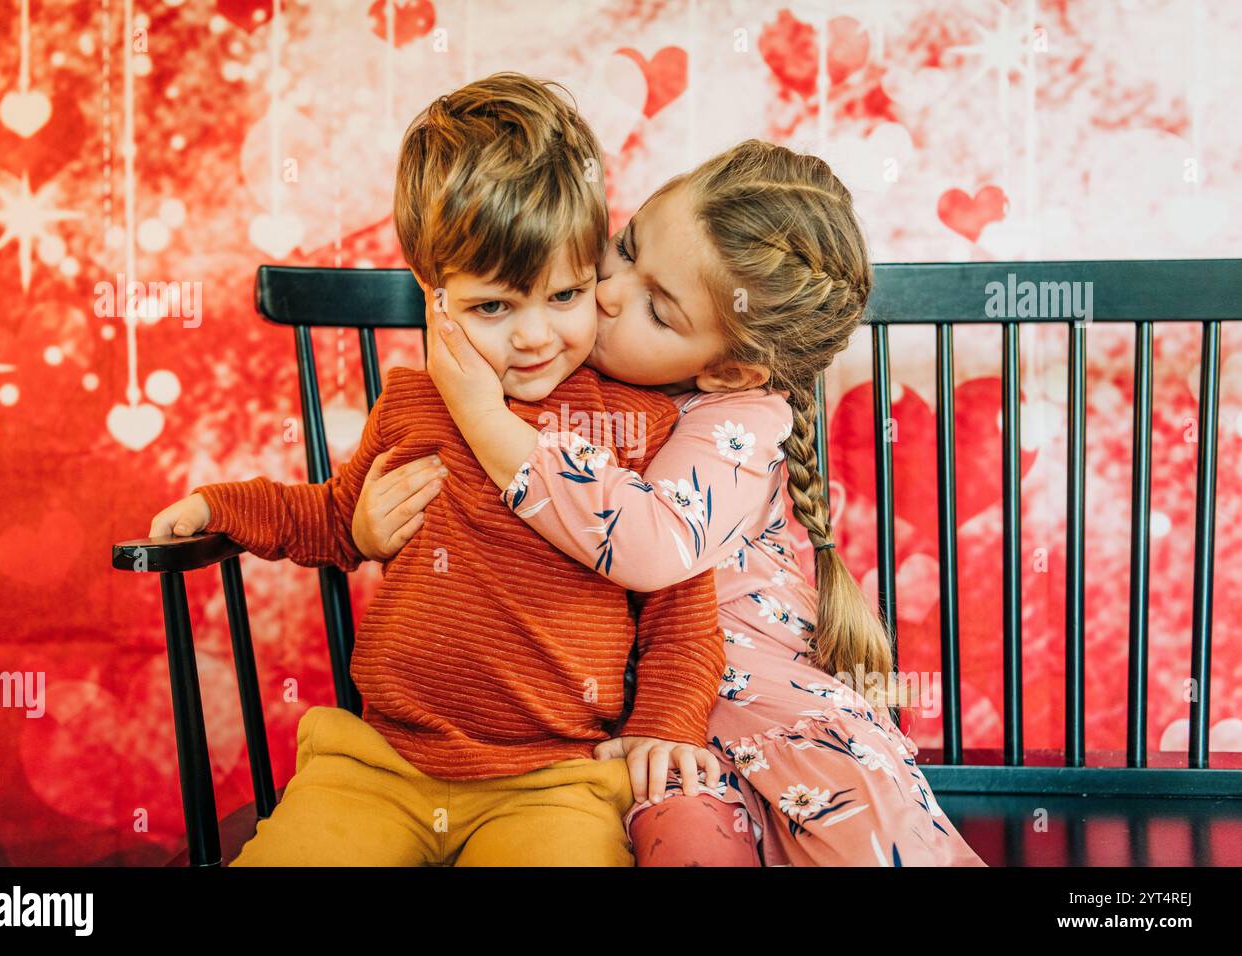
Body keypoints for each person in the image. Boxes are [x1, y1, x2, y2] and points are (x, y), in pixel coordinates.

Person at [147, 73, 726, 866]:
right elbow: (326, 520)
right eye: (494, 307)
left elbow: (682, 600)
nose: (534, 337)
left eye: (565, 295)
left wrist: (665, 720)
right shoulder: (415, 408)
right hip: (382, 763)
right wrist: (227, 508)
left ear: (596, 267)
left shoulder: (636, 423)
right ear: (436, 296)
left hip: (557, 776)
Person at [358, 139, 988, 867]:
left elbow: (647, 542)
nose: (611, 290)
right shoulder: (549, 366)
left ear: (728, 369)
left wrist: (482, 417)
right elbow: (465, 528)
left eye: (658, 309)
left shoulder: (742, 419)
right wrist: (366, 526)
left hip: (777, 712)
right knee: (678, 840)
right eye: (624, 249)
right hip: (658, 730)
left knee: (870, 845)